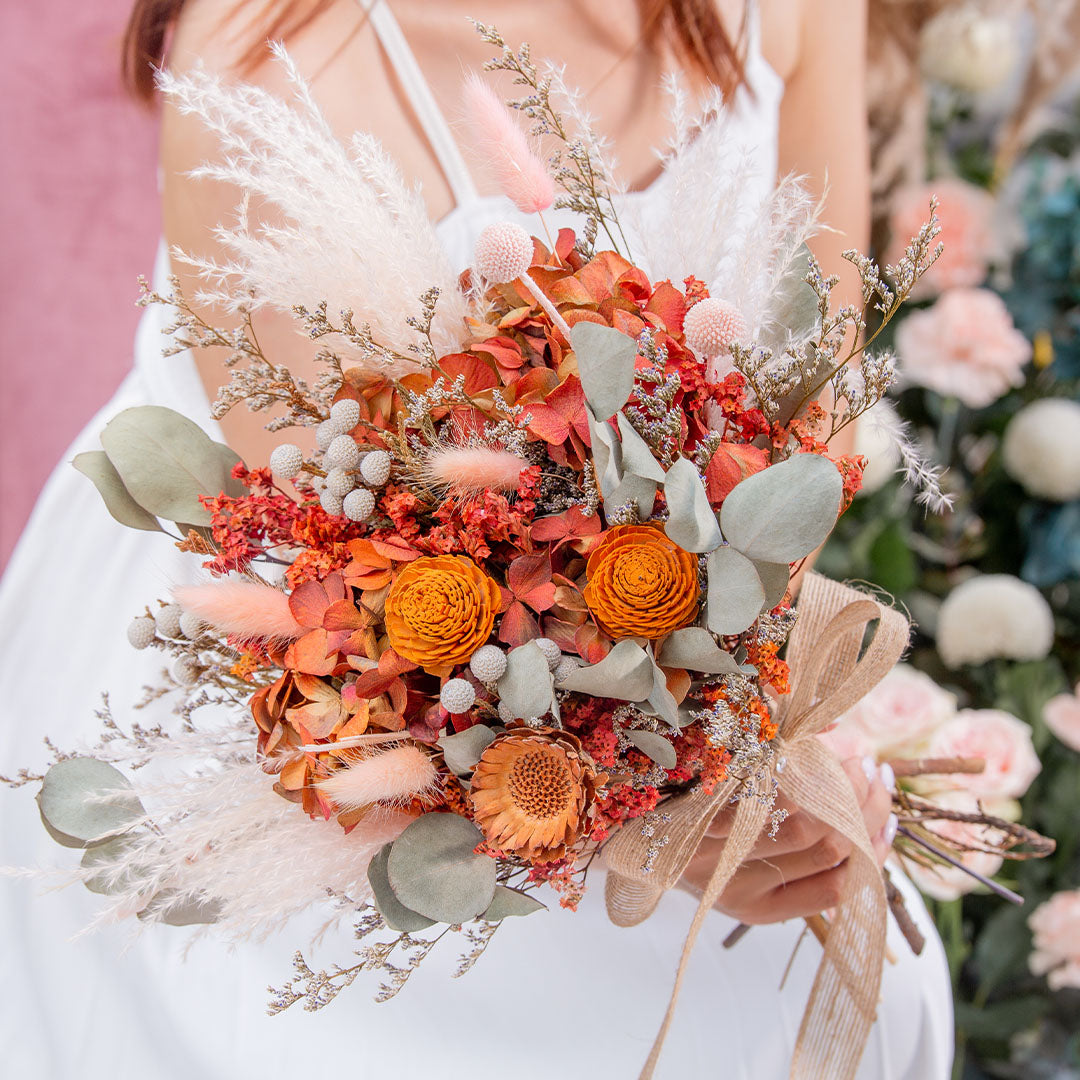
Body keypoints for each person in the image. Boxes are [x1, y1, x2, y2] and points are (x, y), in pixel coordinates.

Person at [0, 2, 953, 1076]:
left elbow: (809, 412)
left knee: (853, 990)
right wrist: (655, 815)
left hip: (671, 644)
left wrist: (756, 708)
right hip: (360, 676)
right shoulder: (266, 58)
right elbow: (351, 572)